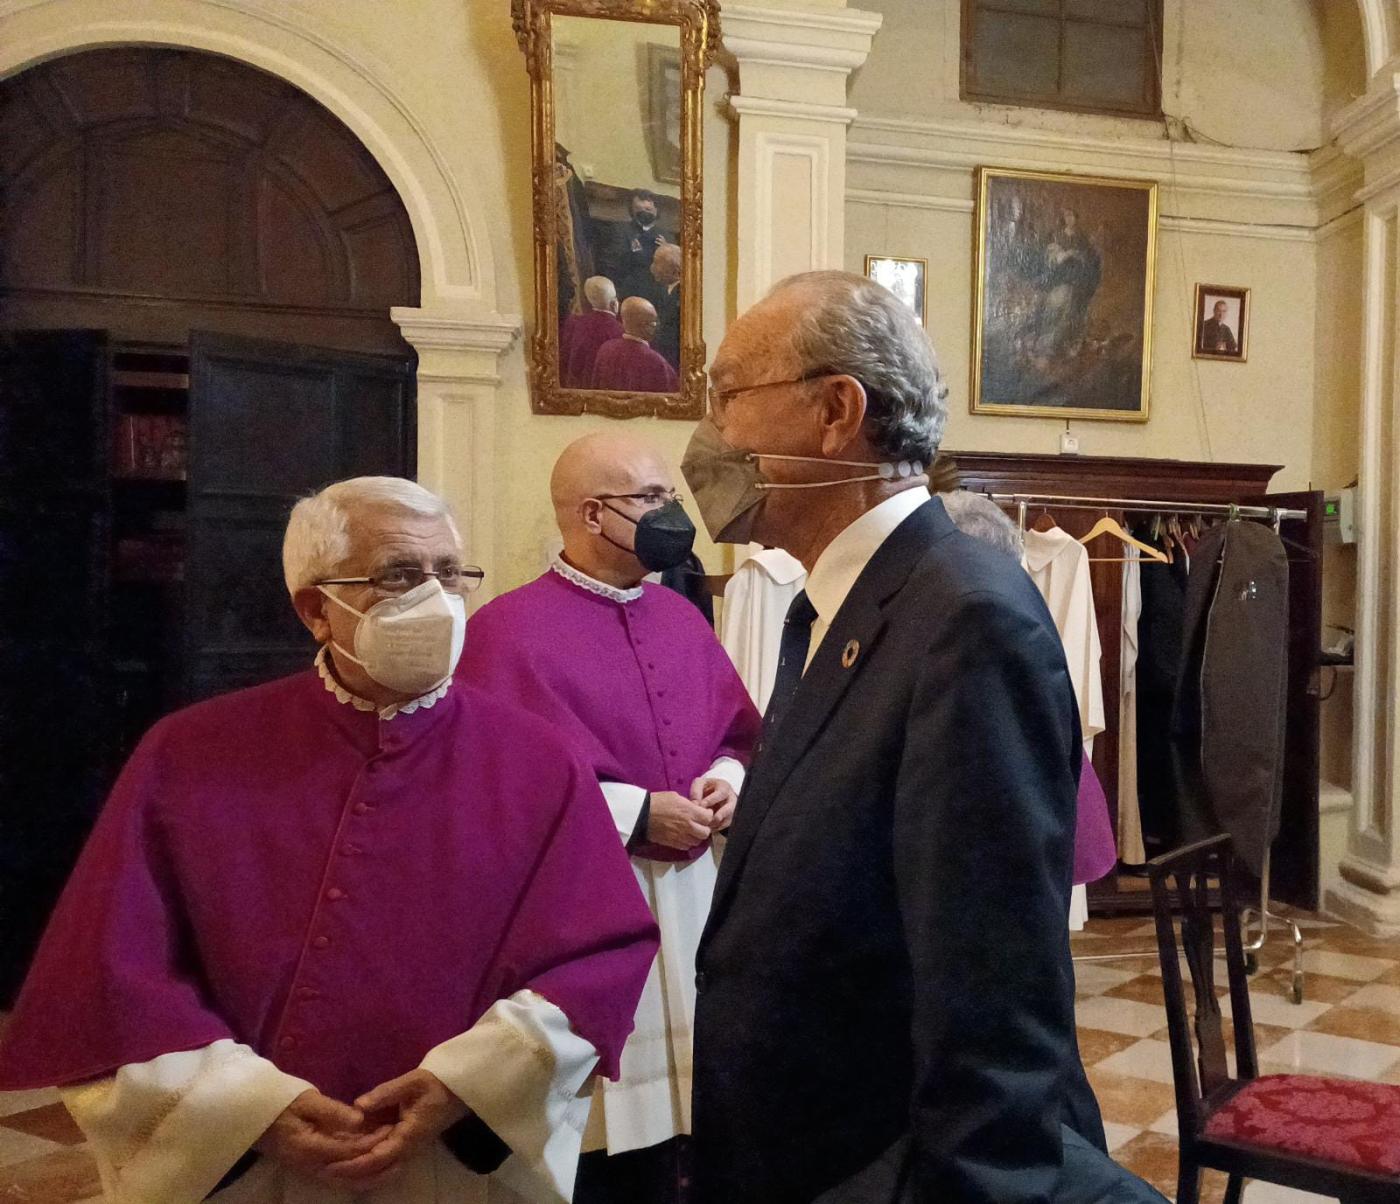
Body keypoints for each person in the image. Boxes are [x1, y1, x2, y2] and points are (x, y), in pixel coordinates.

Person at [0, 476, 659, 1204]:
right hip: (259, 1166)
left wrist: (466, 1085)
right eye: (402, 575)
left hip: (449, 1163)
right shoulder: (190, 754)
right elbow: (113, 976)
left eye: (450, 574)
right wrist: (251, 1111)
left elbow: (598, 954)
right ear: (317, 608)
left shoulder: (538, 758)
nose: (437, 599)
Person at [681, 271, 1165, 1204]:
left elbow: (992, 1004)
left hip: (886, 1166)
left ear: (835, 411)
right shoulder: (840, 603)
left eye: (729, 395)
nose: (715, 434)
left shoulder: (966, 618)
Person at [460, 433, 761, 1204]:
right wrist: (634, 812)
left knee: (697, 1127)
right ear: (593, 515)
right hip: (587, 905)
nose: (674, 515)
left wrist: (726, 780)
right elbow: (494, 786)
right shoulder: (504, 632)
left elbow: (735, 730)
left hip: (694, 903)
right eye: (654, 499)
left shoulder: (682, 617)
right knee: (602, 1150)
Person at [599, 189, 673, 303]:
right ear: (632, 211)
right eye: (639, 209)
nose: (644, 212)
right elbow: (611, 264)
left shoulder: (667, 236)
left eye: (648, 209)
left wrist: (667, 250)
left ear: (656, 211)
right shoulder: (620, 230)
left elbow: (675, 269)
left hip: (659, 297)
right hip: (629, 293)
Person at [591, 296, 679, 393]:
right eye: (654, 322)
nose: (657, 326)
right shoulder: (656, 362)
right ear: (644, 326)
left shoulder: (605, 349)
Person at [561, 276, 623, 388]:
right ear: (614, 303)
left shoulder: (574, 324)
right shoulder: (620, 331)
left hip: (575, 390)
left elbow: (565, 359)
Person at [646, 243, 683, 371]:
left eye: (657, 263)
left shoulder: (685, 296)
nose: (652, 268)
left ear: (676, 271)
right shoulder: (660, 290)